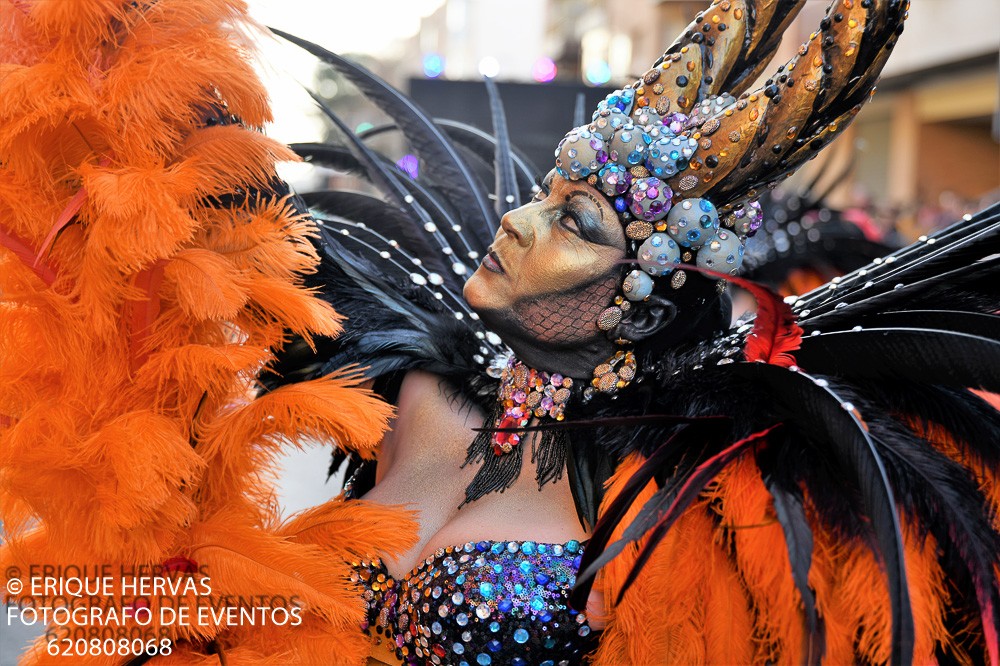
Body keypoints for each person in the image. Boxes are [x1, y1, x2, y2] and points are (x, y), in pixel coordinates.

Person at [2, 1, 997, 666]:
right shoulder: (420, 384)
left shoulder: (666, 489)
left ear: (634, 292)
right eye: (540, 194)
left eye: (571, 222)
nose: (517, 220)